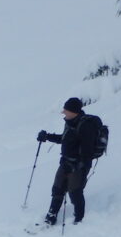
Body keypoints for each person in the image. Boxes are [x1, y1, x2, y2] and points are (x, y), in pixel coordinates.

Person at [37, 97, 101, 226]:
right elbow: (65, 139)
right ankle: (51, 215)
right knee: (57, 188)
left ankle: (79, 218)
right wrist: (47, 136)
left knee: (75, 192)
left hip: (79, 166)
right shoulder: (70, 122)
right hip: (66, 161)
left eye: (66, 110)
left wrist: (78, 164)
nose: (63, 112)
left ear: (73, 111)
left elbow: (87, 151)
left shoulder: (85, 126)